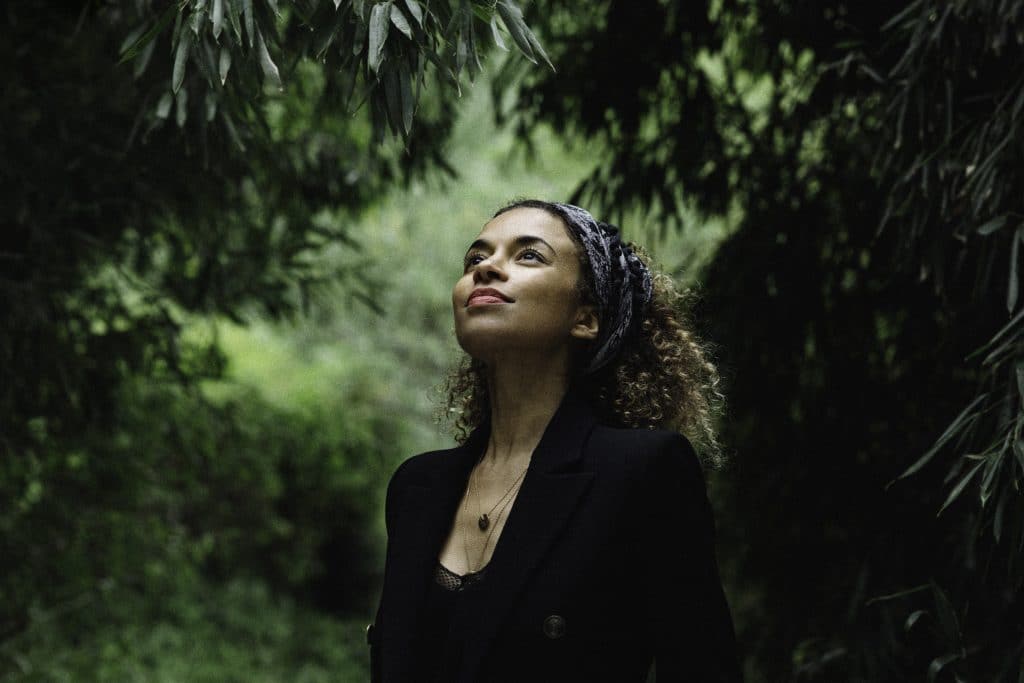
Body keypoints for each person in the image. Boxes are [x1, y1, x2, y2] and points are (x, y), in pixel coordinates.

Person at [366, 199, 742, 682]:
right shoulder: (416, 487)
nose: (487, 270)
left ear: (585, 318)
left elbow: (702, 667)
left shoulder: (642, 470)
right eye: (475, 259)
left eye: (528, 256)